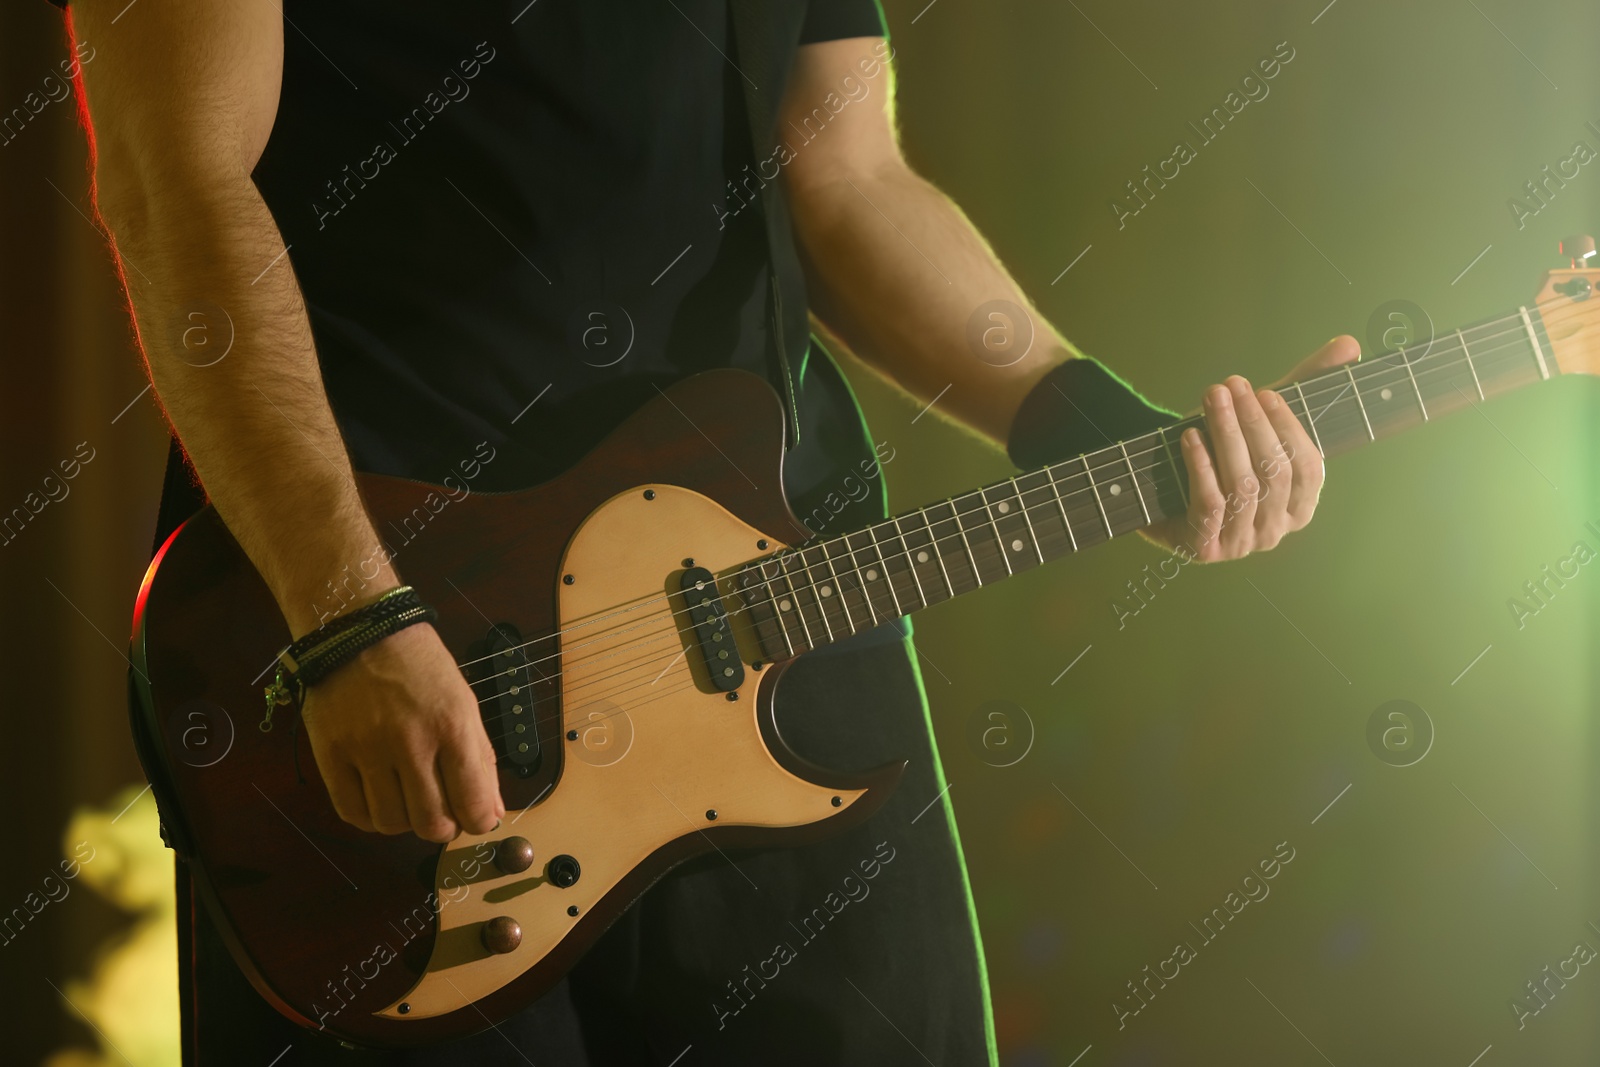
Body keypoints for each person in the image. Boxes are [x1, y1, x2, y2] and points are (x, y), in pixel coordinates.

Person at [58, 0, 1358, 1063]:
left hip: (776, 600)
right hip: (417, 640)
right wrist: (348, 613)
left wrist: (1093, 432)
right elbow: (177, 185)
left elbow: (844, 174)